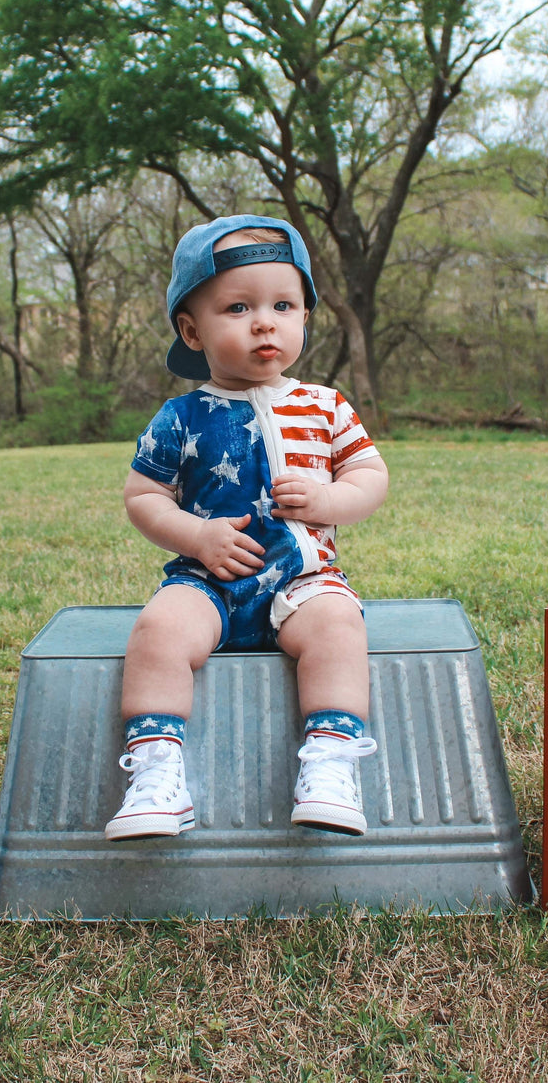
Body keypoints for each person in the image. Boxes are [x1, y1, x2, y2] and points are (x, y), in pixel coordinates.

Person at [105, 214, 389, 841]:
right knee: (157, 629)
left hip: (304, 581)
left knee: (340, 626)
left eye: (284, 305)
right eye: (237, 307)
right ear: (192, 330)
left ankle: (331, 761)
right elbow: (143, 497)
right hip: (208, 579)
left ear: (304, 319)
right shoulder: (181, 416)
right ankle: (157, 772)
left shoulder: (325, 405)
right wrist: (195, 536)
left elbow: (371, 479)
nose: (265, 321)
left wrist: (327, 498)